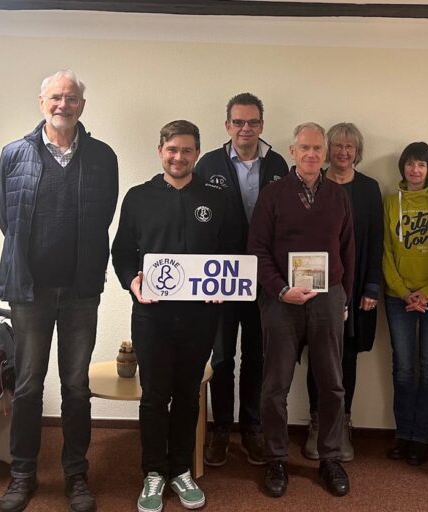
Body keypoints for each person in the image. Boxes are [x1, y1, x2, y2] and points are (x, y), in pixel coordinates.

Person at [0, 69, 118, 512]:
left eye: (71, 98)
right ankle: (22, 474)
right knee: (28, 387)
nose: (63, 104)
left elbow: (104, 216)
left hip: (82, 290)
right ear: (41, 102)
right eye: (55, 97)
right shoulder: (14, 154)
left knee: (76, 386)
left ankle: (76, 476)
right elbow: (7, 220)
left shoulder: (103, 156)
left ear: (82, 105)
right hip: (29, 291)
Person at [112, 120, 232, 512]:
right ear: (160, 151)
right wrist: (132, 282)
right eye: (172, 149)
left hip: (200, 318)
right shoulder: (138, 197)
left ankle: (181, 469)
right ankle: (153, 472)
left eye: (187, 150)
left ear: (197, 153)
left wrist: (223, 287)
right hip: (152, 318)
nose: (178, 157)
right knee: (154, 396)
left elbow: (232, 252)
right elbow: (122, 252)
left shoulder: (217, 198)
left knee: (187, 395)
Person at [248, 122, 355, 498]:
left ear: (325, 155)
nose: (311, 155)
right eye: (304, 148)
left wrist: (344, 298)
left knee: (332, 384)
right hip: (282, 302)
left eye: (317, 149)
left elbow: (348, 251)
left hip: (328, 300)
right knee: (274, 385)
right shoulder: (272, 194)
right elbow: (257, 250)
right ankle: (276, 458)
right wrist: (280, 291)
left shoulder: (339, 197)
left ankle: (330, 457)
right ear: (292, 152)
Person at [195, 92, 288, 466]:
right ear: (228, 125)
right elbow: (197, 220)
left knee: (257, 355)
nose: (245, 128)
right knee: (222, 357)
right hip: (222, 277)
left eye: (252, 122)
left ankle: (251, 426)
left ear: (262, 125)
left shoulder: (279, 163)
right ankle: (221, 430)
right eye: (238, 122)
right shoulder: (209, 164)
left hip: (264, 276)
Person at [303, 122, 383, 462]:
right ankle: (317, 422)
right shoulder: (311, 184)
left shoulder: (368, 188)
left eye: (350, 147)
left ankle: (341, 423)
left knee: (346, 355)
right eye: (337, 146)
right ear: (326, 150)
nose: (344, 152)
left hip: (356, 285)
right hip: (316, 287)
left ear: (358, 152)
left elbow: (377, 239)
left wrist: (372, 286)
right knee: (317, 356)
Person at [382, 141, 428, 466]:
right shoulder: (389, 202)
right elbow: (385, 251)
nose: (415, 170)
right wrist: (401, 290)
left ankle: (421, 436)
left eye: (422, 164)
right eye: (410, 163)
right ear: (403, 167)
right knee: (403, 368)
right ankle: (403, 433)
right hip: (399, 298)